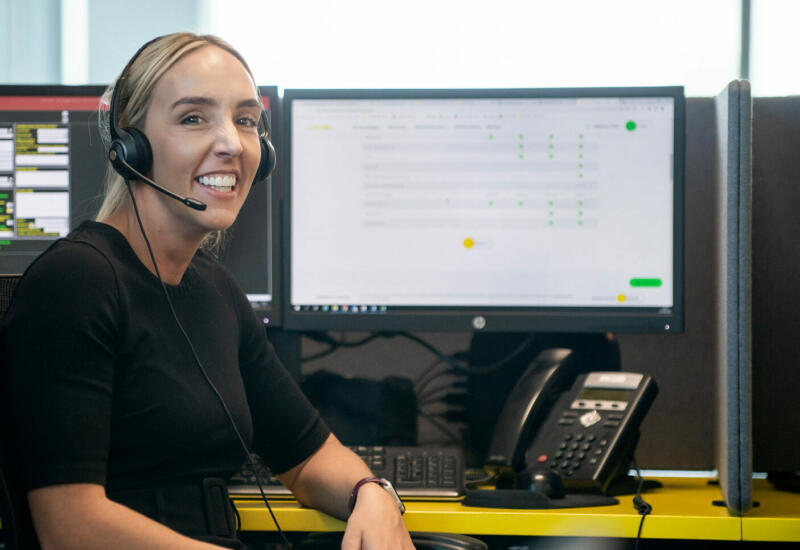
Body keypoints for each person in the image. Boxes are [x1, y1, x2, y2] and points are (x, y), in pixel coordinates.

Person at [2, 33, 414, 550]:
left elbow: (308, 456)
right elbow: (71, 526)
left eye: (245, 120)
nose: (231, 143)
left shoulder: (215, 291)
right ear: (132, 147)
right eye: (194, 118)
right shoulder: (78, 283)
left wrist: (371, 492)